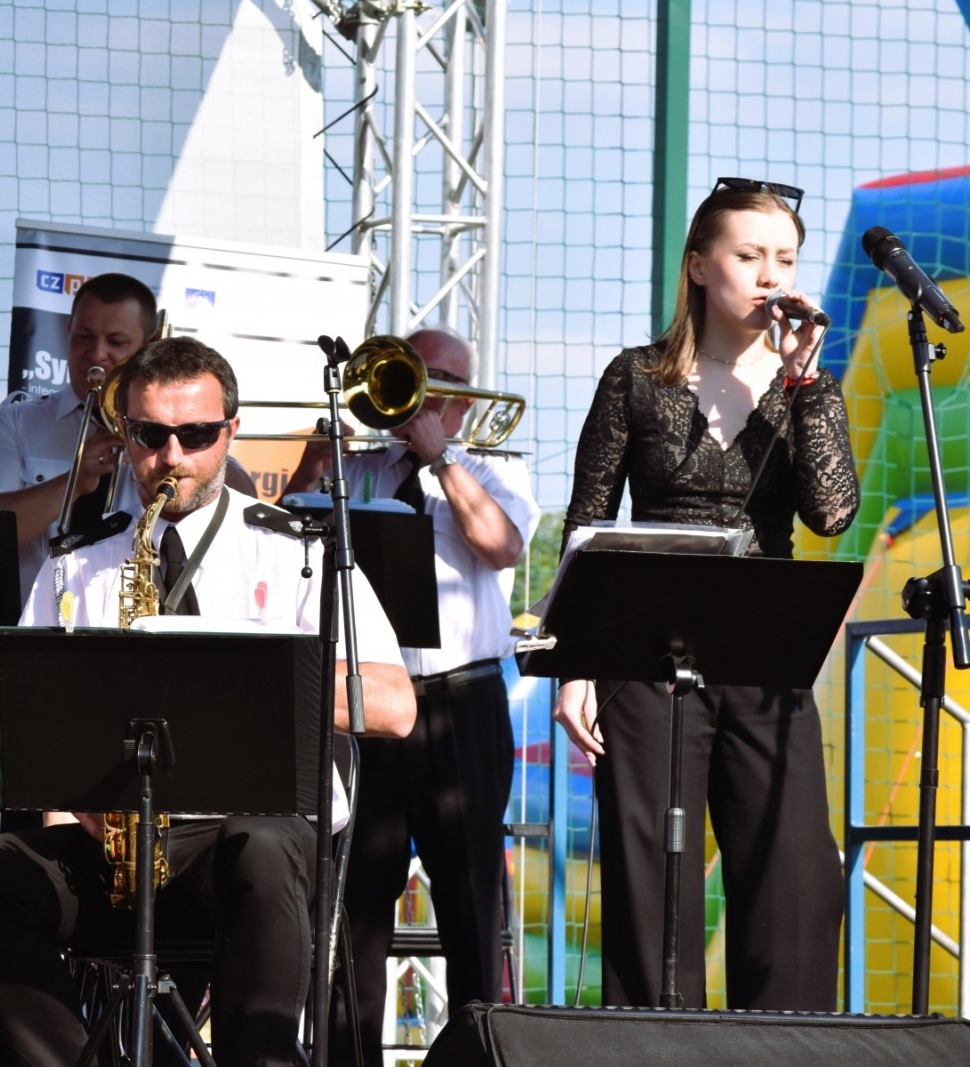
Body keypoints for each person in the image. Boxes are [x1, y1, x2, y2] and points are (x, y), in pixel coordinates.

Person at [0, 336, 418, 1067]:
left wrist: (254, 678)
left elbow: (395, 704)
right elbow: (28, 720)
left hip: (255, 842)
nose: (172, 456)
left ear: (230, 432)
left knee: (260, 840)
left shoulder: (298, 552)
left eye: (195, 435)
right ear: (125, 436)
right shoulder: (77, 565)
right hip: (119, 840)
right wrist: (78, 804)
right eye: (151, 434)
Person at [551, 178, 859, 1010]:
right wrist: (576, 663)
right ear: (698, 265)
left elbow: (831, 513)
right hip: (647, 651)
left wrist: (803, 385)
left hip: (766, 648)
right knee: (655, 876)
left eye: (785, 259)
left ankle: (792, 1051)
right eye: (749, 255)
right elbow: (587, 521)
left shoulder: (806, 388)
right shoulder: (636, 378)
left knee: (797, 875)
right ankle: (654, 1047)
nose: (770, 276)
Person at [282, 328, 539, 1050]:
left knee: (470, 903)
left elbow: (500, 544)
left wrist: (440, 457)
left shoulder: (496, 467)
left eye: (441, 379)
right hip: (367, 706)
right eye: (411, 374)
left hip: (463, 702)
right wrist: (314, 464)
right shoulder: (358, 468)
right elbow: (290, 534)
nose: (423, 391)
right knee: (354, 906)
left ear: (464, 395)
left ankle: (479, 1053)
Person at [0, 272, 159, 596]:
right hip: (29, 632)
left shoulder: (168, 437)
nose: (97, 354)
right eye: (84, 336)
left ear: (148, 345)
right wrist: (73, 483)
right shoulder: (18, 420)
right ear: (68, 331)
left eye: (116, 342)